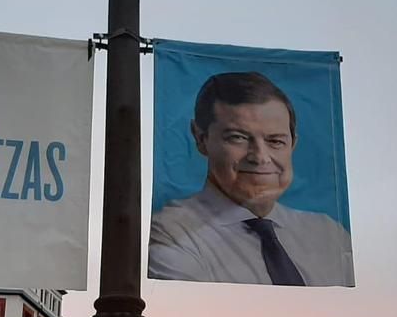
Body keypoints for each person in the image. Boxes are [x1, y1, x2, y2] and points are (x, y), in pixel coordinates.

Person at [148, 71, 354, 286]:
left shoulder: (329, 235)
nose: (260, 157)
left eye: (275, 141)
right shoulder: (171, 233)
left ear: (293, 144)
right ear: (201, 139)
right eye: (238, 138)